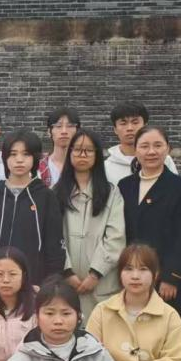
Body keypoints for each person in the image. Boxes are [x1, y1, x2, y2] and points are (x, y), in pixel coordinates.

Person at [118, 126, 181, 318]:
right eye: (144, 146)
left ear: (168, 148)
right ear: (136, 150)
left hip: (164, 279)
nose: (151, 151)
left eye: (158, 145)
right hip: (131, 274)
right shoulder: (124, 186)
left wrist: (171, 276)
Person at [55, 128, 126, 319]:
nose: (82, 155)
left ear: (97, 155)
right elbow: (53, 238)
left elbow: (116, 237)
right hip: (66, 284)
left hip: (102, 285)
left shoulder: (111, 193)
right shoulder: (56, 193)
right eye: (77, 149)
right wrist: (67, 272)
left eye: (88, 150)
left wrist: (95, 273)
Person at [0, 130, 66, 287]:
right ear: (5, 158)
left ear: (35, 158)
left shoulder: (46, 197)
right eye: (13, 154)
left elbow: (55, 244)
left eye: (26, 154)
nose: (19, 160)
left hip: (35, 282)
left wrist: (51, 282)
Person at [105, 104, 177, 184]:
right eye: (123, 123)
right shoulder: (106, 167)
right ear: (115, 129)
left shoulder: (164, 159)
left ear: (145, 126)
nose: (130, 128)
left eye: (135, 122)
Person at [38, 107, 80, 187]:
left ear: (77, 131)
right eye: (58, 126)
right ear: (49, 132)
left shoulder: (84, 165)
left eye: (70, 126)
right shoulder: (39, 167)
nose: (64, 131)